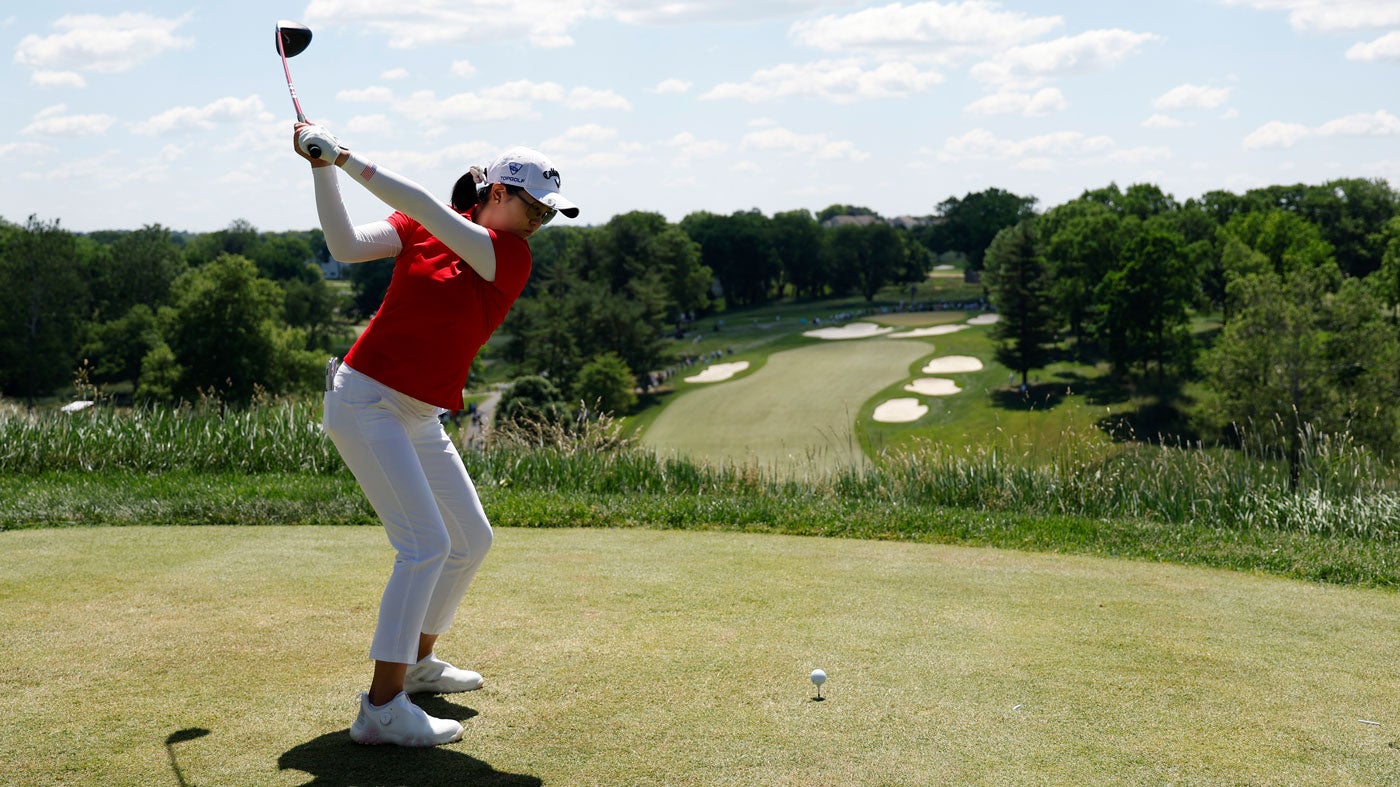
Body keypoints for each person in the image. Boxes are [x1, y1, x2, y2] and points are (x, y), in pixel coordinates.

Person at [292, 122, 580, 747]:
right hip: (365, 399)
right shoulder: (422, 227)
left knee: (469, 539)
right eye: (533, 208)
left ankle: (415, 665)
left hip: (420, 415)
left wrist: (344, 156)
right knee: (423, 545)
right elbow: (343, 244)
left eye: (547, 216)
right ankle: (381, 706)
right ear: (497, 192)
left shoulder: (509, 255)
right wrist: (322, 168)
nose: (538, 223)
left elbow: (421, 204)